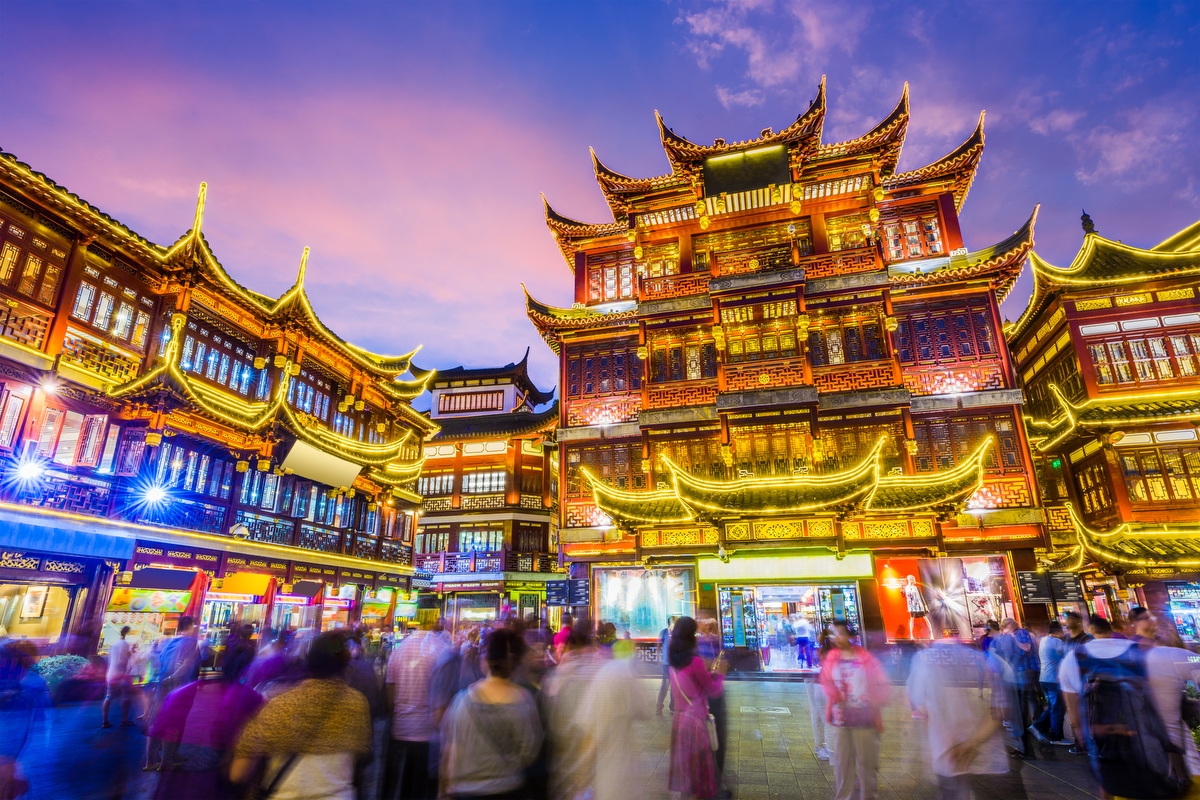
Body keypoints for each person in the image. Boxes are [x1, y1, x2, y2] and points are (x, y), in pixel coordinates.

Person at [1059, 614, 1196, 800]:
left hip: (1108, 750)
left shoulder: (1073, 659)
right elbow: (1194, 662)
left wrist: (1081, 734)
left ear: (1091, 630)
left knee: (1109, 784)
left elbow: (1076, 719)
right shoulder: (1158, 654)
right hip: (1162, 757)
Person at [232, 631, 373, 800]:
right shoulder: (358, 704)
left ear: (308, 663)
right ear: (345, 666)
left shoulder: (280, 706)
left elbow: (238, 773)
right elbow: (360, 758)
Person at [148, 641, 263, 800]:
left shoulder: (178, 694)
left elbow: (157, 733)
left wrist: (154, 762)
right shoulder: (247, 697)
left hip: (175, 781)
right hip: (216, 781)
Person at [439, 628, 543, 799]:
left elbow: (449, 751)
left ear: (486, 660)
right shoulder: (523, 700)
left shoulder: (461, 700)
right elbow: (529, 753)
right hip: (508, 789)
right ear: (516, 663)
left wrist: (443, 791)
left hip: (465, 791)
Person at [907, 637, 1007, 800]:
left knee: (951, 790)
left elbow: (919, 703)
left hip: (944, 747)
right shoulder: (980, 658)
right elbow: (1000, 707)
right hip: (982, 749)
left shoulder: (923, 659)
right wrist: (973, 742)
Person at [819, 621, 889, 800]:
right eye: (834, 634)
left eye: (841, 634)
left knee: (867, 764)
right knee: (843, 764)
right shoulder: (832, 657)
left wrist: (874, 701)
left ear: (851, 637)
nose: (837, 638)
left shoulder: (865, 658)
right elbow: (826, 680)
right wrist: (836, 695)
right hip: (841, 719)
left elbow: (881, 684)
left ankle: (869, 796)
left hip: (865, 719)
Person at [382, 618, 449, 800]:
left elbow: (390, 689)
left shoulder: (400, 649)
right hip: (427, 730)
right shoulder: (442, 649)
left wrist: (396, 716)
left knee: (396, 780)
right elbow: (445, 694)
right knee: (419, 785)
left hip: (400, 727)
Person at [667, 616, 725, 800]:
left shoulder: (673, 663)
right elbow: (714, 691)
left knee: (687, 772)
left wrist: (708, 674)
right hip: (695, 723)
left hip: (679, 722)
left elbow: (689, 682)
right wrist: (720, 675)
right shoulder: (695, 661)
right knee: (699, 771)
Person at [146, 615, 202, 771]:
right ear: (191, 626)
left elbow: (157, 660)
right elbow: (187, 665)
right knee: (174, 724)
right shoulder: (191, 642)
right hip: (178, 686)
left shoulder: (169, 642)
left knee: (158, 722)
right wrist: (173, 677)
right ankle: (167, 760)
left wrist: (163, 678)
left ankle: (153, 760)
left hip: (162, 684)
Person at [989, 617, 1039, 758]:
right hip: (1015, 676)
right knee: (1019, 707)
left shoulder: (1020, 633)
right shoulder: (1007, 637)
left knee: (1020, 708)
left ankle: (1024, 746)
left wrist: (1012, 637)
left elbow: (1026, 648)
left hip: (1021, 673)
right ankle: (1023, 743)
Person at [1030, 621, 1068, 746]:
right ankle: (1056, 737)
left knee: (1052, 706)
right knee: (1058, 708)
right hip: (1054, 679)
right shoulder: (1057, 642)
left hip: (1044, 678)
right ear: (1058, 631)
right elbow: (1066, 658)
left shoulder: (1043, 640)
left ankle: (1038, 726)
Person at [807, 628, 834, 762]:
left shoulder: (818, 650)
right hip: (821, 685)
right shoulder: (832, 652)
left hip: (813, 682)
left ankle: (820, 746)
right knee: (827, 717)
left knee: (817, 714)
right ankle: (828, 749)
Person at [102, 625, 135, 728]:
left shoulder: (114, 645)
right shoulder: (126, 644)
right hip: (122, 675)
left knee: (108, 697)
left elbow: (110, 659)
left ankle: (105, 722)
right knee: (126, 696)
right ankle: (124, 720)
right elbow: (125, 660)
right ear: (127, 633)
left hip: (111, 674)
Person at [656, 615, 676, 716]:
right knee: (665, 684)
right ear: (668, 623)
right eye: (672, 622)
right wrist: (658, 657)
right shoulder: (664, 632)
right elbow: (658, 645)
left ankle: (673, 707)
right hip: (666, 663)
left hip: (676, 663)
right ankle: (659, 705)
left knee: (674, 686)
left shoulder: (678, 633)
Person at [904, 575, 928, 640]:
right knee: (912, 619)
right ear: (908, 579)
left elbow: (921, 596)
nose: (911, 579)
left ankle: (931, 634)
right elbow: (904, 595)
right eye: (910, 578)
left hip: (919, 605)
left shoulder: (916, 588)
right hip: (912, 606)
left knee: (925, 618)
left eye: (912, 578)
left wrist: (925, 605)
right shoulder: (906, 588)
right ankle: (911, 636)